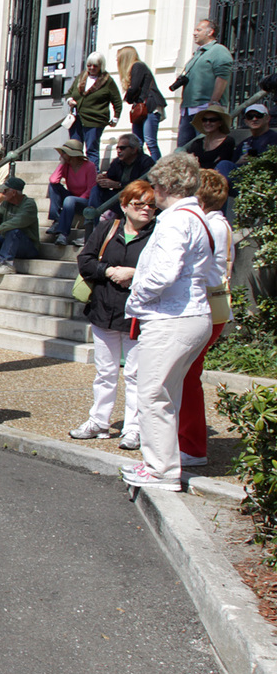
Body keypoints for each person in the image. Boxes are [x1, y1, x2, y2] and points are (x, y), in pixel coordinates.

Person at [120, 153, 221, 492]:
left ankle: (160, 469)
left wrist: (136, 299)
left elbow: (162, 273)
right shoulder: (198, 217)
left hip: (172, 318)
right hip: (191, 315)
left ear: (164, 186)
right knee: (166, 393)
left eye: (155, 185)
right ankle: (164, 462)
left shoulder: (177, 220)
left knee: (152, 394)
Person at [68, 179, 158, 450]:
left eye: (151, 205)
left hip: (137, 314)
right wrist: (108, 271)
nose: (146, 209)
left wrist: (134, 275)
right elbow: (86, 260)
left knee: (135, 373)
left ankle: (133, 428)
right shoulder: (109, 227)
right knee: (105, 372)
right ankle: (99, 420)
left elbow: (162, 271)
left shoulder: (158, 235)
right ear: (124, 205)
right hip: (104, 308)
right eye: (139, 204)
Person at [177, 170, 234, 470]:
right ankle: (187, 441)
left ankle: (192, 445)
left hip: (206, 307)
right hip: (213, 307)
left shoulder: (209, 224)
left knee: (187, 376)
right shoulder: (218, 223)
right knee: (186, 375)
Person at [173, 18, 233, 148]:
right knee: (184, 149)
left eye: (198, 30)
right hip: (188, 110)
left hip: (205, 110)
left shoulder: (218, 50)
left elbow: (222, 77)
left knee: (203, 148)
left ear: (210, 32)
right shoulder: (198, 53)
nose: (194, 33)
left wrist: (213, 102)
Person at [65, 52, 122, 166]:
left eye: (95, 65)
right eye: (89, 65)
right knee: (74, 149)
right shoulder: (81, 77)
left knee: (91, 149)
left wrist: (115, 117)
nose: (92, 68)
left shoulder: (107, 81)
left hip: (95, 120)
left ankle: (92, 177)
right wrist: (70, 100)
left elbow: (117, 101)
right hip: (77, 120)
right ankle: (76, 175)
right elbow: (70, 93)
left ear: (101, 66)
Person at [0, 176, 39, 276]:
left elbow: (18, 221)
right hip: (8, 243)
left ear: (13, 192)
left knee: (14, 231)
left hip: (28, 247)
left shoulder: (29, 204)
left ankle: (7, 264)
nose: (2, 193)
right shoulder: (6, 204)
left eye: (5, 191)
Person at [118, 45, 167, 160]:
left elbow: (134, 88)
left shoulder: (137, 66)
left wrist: (127, 98)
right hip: (143, 108)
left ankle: (157, 169)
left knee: (150, 141)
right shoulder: (137, 66)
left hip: (150, 106)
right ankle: (139, 168)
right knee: (137, 143)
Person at [44, 139, 94, 245]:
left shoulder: (89, 166)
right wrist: (62, 163)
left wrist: (76, 200)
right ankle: (57, 219)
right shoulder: (66, 166)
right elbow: (53, 180)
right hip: (70, 198)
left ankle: (63, 234)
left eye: (64, 153)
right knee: (53, 186)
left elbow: (91, 189)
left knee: (70, 200)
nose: (61, 154)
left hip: (85, 201)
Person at [90, 134, 155, 209]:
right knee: (96, 190)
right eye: (117, 148)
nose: (118, 151)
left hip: (137, 200)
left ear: (134, 149)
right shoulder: (117, 162)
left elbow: (144, 184)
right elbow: (110, 177)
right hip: (119, 199)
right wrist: (102, 179)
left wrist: (119, 184)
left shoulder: (146, 162)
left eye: (122, 148)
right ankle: (91, 218)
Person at [183, 104, 238, 177]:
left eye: (212, 120)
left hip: (216, 178)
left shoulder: (228, 141)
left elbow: (222, 164)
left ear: (220, 123)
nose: (208, 123)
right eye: (204, 120)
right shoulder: (197, 143)